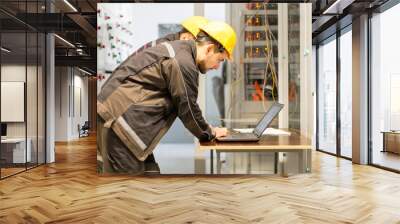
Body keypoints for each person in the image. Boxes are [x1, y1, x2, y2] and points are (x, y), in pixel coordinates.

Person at [97, 21, 237, 175]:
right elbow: (188, 108)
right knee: (129, 190)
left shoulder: (180, 52)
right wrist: (210, 132)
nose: (217, 67)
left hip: (126, 122)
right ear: (209, 48)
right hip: (120, 123)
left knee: (151, 176)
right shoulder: (183, 62)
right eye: (220, 60)